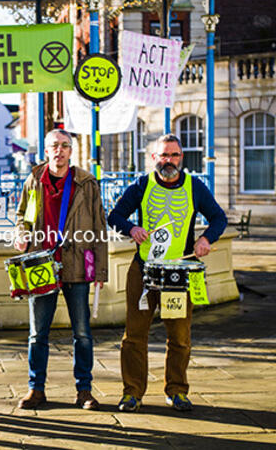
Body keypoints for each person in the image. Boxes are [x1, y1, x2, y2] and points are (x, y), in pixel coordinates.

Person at [108, 133, 227, 412]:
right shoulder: (141, 185)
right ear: (154, 158)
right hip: (144, 270)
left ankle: (176, 391)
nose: (168, 160)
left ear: (181, 157)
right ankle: (132, 393)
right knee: (134, 335)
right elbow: (114, 216)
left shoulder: (195, 187)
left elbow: (219, 218)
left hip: (179, 274)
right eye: (163, 155)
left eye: (174, 155)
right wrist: (131, 228)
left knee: (180, 336)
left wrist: (206, 239)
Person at [14, 129, 108, 410]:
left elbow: (99, 227)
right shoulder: (34, 180)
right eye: (54, 145)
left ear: (71, 151)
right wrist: (21, 233)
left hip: (77, 264)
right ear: (46, 150)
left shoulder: (87, 183)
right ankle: (36, 389)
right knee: (37, 333)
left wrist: (100, 272)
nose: (60, 150)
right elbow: (21, 216)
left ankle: (84, 391)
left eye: (65, 146)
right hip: (41, 265)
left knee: (82, 332)